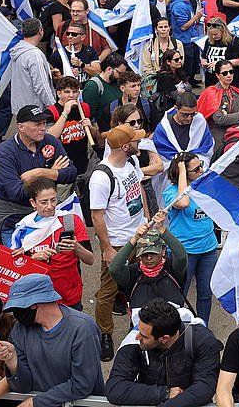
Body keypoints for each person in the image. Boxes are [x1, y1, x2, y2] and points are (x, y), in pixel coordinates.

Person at [0, 273, 106, 407]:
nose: (16, 313)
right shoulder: (20, 330)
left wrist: (37, 402)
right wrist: (12, 360)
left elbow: (82, 384)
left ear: (34, 304)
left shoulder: (82, 329)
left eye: (18, 307)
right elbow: (23, 387)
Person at [90, 121, 151, 359]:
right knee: (108, 291)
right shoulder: (101, 176)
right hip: (117, 242)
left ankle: (135, 329)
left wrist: (146, 218)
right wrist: (107, 248)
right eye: (135, 140)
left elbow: (140, 190)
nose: (139, 143)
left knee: (140, 285)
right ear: (125, 146)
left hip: (138, 236)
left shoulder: (133, 162)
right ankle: (105, 334)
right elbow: (97, 215)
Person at [105, 298, 222, 407]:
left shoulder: (201, 341)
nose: (137, 337)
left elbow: (204, 387)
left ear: (164, 338)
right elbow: (115, 389)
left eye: (144, 336)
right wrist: (164, 393)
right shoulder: (134, 343)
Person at [0, 105, 76, 243]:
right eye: (37, 124)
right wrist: (54, 173)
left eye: (44, 123)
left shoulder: (50, 141)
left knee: (61, 255)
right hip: (15, 219)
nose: (43, 128)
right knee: (18, 262)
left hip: (48, 214)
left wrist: (41, 173)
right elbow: (16, 192)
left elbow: (71, 173)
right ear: (21, 127)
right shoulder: (5, 152)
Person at [8, 180, 94, 308]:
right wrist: (32, 258)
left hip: (70, 295)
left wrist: (76, 247)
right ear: (33, 203)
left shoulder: (70, 220)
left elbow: (90, 259)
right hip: (38, 298)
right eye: (44, 202)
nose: (50, 206)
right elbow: (13, 267)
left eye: (53, 200)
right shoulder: (23, 228)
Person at [164, 153, 218, 322]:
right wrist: (181, 173)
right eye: (196, 169)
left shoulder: (205, 188)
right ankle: (176, 330)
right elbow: (183, 203)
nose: (202, 170)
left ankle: (202, 328)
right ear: (183, 174)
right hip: (184, 252)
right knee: (179, 295)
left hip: (208, 249)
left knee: (205, 294)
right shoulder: (171, 192)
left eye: (201, 165)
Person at [109, 213, 189, 315]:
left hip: (172, 326)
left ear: (163, 251)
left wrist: (163, 231)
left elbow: (181, 256)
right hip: (142, 327)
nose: (149, 258)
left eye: (153, 253)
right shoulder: (133, 273)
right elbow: (114, 268)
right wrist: (134, 239)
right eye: (144, 254)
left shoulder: (172, 268)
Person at [46, 75, 96, 177]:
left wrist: (90, 127)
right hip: (62, 164)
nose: (71, 95)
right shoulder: (51, 112)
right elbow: (50, 137)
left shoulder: (84, 108)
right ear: (59, 93)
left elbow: (95, 136)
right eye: (67, 92)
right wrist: (65, 113)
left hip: (83, 161)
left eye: (75, 92)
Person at [9, 19, 57, 114]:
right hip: (35, 112)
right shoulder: (34, 54)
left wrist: (48, 73)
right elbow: (41, 86)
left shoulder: (17, 50)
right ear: (40, 31)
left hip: (20, 109)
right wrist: (54, 107)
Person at [84, 53, 127, 131]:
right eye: (119, 73)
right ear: (109, 69)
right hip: (103, 131)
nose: (122, 76)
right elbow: (90, 115)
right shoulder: (93, 86)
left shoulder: (118, 82)